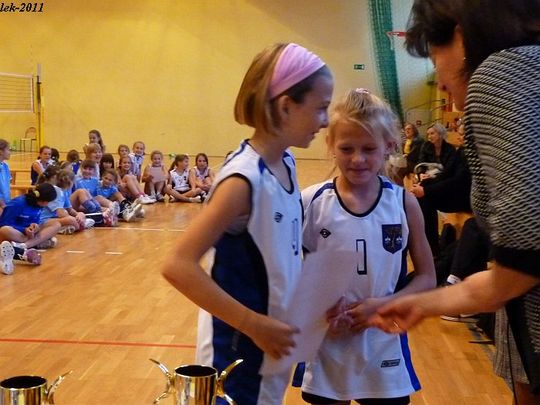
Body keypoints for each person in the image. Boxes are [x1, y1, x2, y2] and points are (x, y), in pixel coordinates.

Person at [369, 1, 540, 402]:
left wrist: (429, 301)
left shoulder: (502, 72)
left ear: (461, 35)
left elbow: (525, 248)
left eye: (433, 56)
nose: (440, 80)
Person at [161, 42, 333, 404]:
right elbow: (177, 265)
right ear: (286, 106)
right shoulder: (242, 180)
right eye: (320, 108)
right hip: (235, 353)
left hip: (270, 345)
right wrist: (254, 324)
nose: (326, 120)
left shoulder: (286, 163)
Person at [298, 89, 435, 404]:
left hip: (384, 344)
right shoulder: (310, 202)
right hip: (327, 343)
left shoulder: (403, 203)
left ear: (389, 146)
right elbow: (288, 275)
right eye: (346, 148)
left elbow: (427, 277)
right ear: (330, 145)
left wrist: (383, 306)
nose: (357, 159)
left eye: (369, 148)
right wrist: (319, 308)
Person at [410, 123, 471, 257]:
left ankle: (432, 247)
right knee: (422, 193)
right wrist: (425, 183)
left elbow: (457, 181)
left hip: (465, 198)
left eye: (462, 134)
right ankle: (430, 244)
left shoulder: (465, 154)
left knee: (425, 198)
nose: (459, 137)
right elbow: (446, 174)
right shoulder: (461, 151)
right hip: (456, 190)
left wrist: (427, 190)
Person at [0, 183, 60, 273]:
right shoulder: (18, 203)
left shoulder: (39, 205)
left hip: (28, 234)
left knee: (56, 224)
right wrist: (24, 230)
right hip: (18, 233)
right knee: (4, 230)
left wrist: (35, 226)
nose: (47, 204)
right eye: (48, 201)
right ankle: (33, 244)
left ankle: (23, 246)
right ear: (44, 200)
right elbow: (4, 223)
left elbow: (36, 220)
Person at [0, 139, 12, 214]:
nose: (10, 152)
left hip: (6, 202)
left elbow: (7, 186)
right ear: (1, 151)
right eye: (8, 149)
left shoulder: (5, 165)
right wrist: (2, 204)